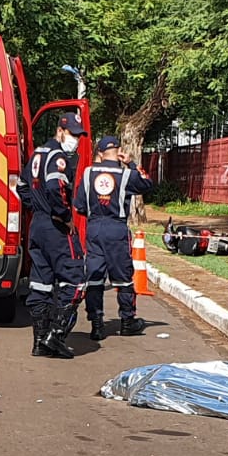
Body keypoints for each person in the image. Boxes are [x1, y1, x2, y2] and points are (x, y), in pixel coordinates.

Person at [18, 114, 88, 358]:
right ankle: (55, 336)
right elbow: (55, 187)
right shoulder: (57, 157)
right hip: (55, 226)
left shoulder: (37, 155)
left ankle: (39, 342)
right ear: (60, 131)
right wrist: (62, 215)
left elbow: (22, 186)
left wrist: (35, 207)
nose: (76, 140)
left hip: (37, 224)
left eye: (79, 136)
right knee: (76, 280)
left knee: (40, 282)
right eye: (73, 135)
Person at [76, 136, 157, 338]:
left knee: (94, 277)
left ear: (100, 154)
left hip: (94, 227)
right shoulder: (126, 174)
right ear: (119, 152)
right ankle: (127, 321)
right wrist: (131, 163)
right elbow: (147, 184)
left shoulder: (88, 173)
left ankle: (96, 324)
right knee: (122, 278)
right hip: (116, 229)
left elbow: (79, 206)